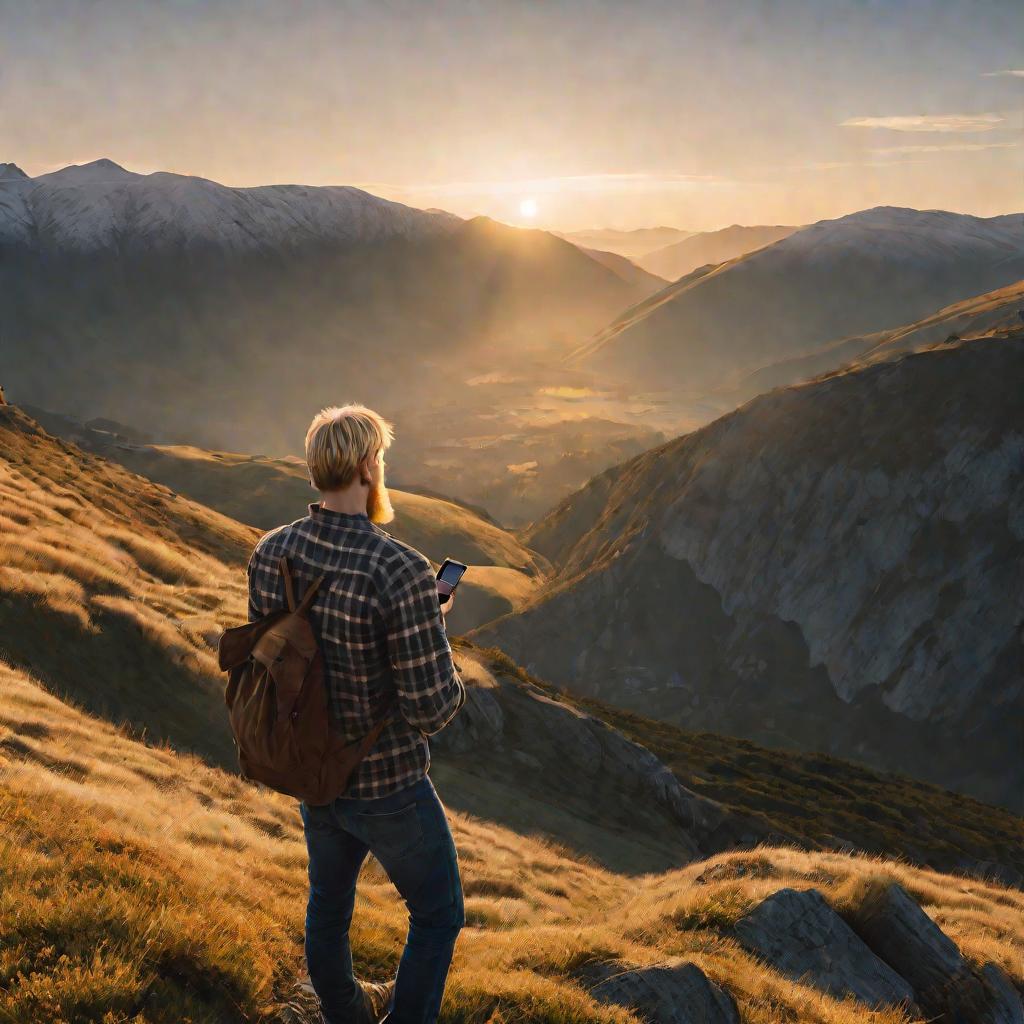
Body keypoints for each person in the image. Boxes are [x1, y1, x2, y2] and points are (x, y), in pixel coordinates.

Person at [246, 404, 466, 1024]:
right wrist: (431, 627)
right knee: (439, 912)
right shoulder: (399, 569)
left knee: (329, 906)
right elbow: (432, 708)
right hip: (387, 781)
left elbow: (281, 661)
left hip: (311, 771)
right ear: (370, 467)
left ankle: (343, 1015)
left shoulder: (271, 553)